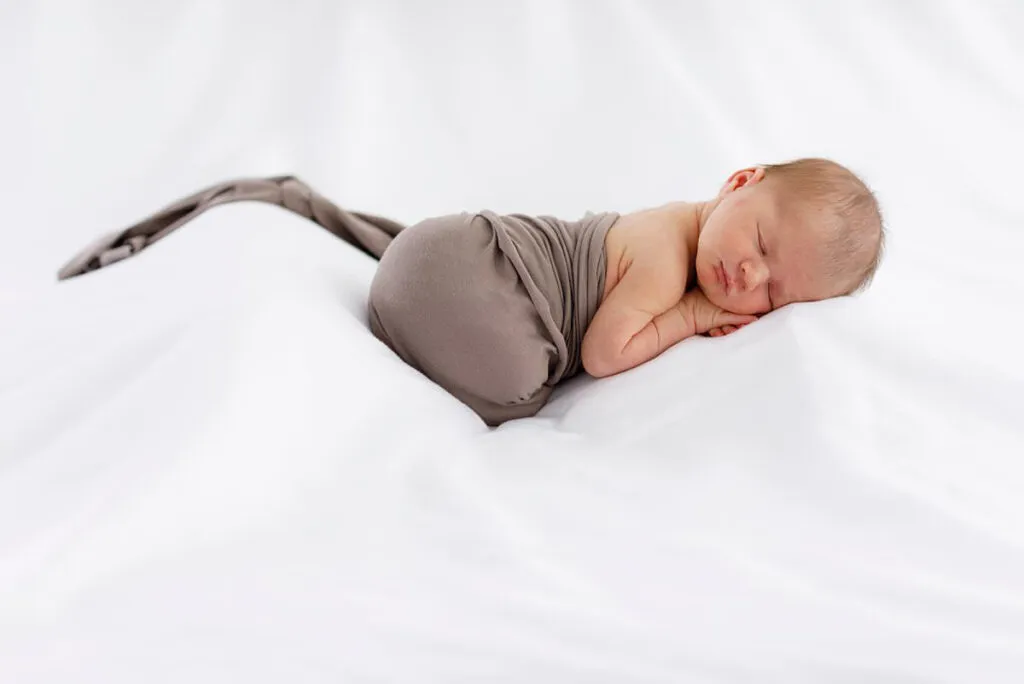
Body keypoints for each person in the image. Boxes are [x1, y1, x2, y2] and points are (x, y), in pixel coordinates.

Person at [57, 158, 884, 427]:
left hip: (436, 252)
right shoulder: (670, 258)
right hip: (475, 272)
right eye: (763, 245)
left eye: (773, 294)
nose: (747, 278)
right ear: (738, 181)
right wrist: (695, 317)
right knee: (519, 390)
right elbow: (602, 350)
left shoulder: (680, 226)